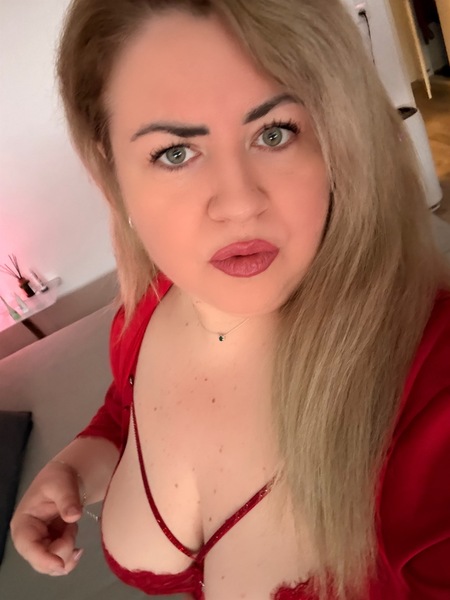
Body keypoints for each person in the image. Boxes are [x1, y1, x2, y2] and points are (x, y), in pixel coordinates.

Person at [10, 0, 450, 598]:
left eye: (274, 133)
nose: (239, 204)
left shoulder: (432, 398)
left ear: (338, 141)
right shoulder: (147, 309)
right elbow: (127, 409)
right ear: (112, 172)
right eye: (175, 152)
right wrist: (75, 467)